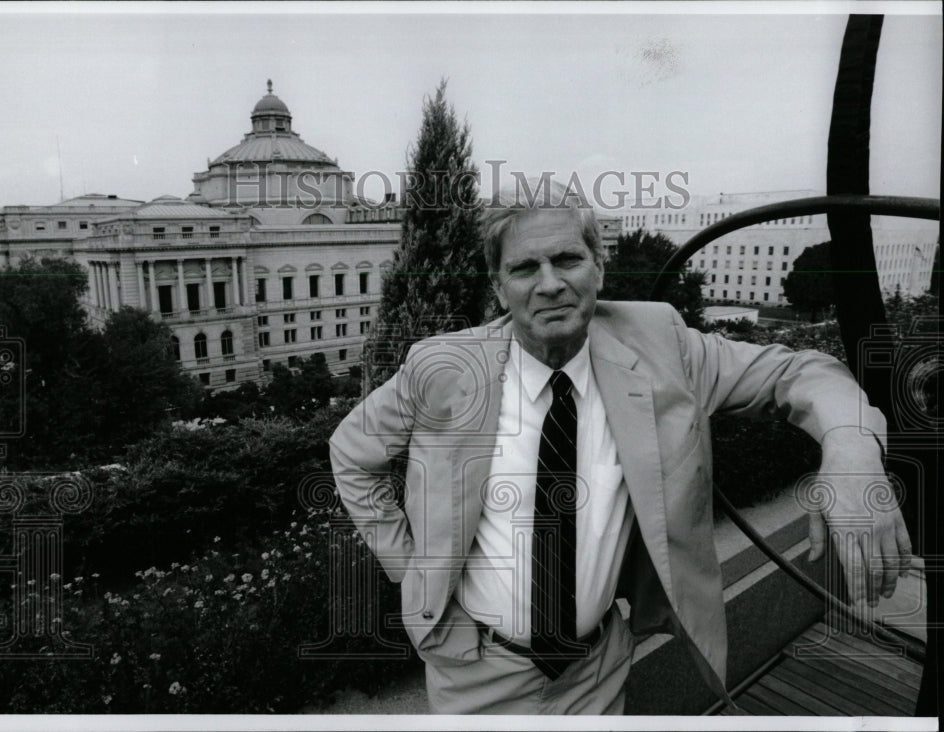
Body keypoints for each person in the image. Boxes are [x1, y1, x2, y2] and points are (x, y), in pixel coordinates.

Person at [329, 179, 913, 714]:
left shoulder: (661, 343)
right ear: (498, 287)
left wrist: (853, 457)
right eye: (525, 267)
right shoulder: (443, 367)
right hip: (473, 669)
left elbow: (803, 373)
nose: (550, 283)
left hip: (597, 668)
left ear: (599, 267)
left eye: (567, 259)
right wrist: (413, 572)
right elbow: (352, 454)